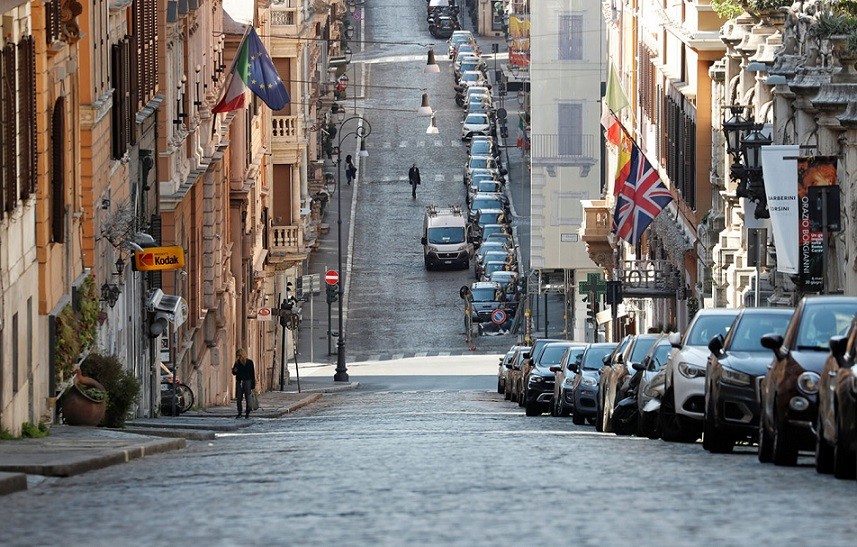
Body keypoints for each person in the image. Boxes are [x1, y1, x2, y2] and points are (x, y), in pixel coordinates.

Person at [232, 348, 256, 419]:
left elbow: (252, 374)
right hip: (239, 381)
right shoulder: (237, 363)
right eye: (237, 356)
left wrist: (253, 385)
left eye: (239, 355)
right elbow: (234, 373)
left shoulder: (249, 362)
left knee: (248, 398)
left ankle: (247, 413)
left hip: (247, 381)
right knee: (239, 398)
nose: (238, 357)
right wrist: (234, 370)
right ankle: (239, 412)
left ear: (242, 355)